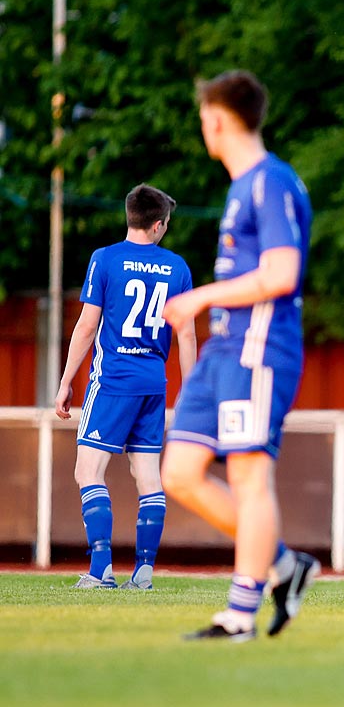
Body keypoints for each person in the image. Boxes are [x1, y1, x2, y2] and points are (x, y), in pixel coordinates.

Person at [159, 70, 321, 642]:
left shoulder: (270, 182)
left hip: (259, 348)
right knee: (178, 472)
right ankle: (282, 564)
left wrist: (199, 296)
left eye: (204, 117)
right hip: (225, 347)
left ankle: (239, 616)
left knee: (252, 481)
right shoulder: (240, 186)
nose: (203, 126)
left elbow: (281, 274)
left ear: (220, 119)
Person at [53, 185, 196, 590]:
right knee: (148, 475)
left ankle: (101, 571)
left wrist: (66, 382)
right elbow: (186, 336)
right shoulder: (177, 268)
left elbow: (86, 327)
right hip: (154, 384)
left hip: (113, 380)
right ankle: (144, 572)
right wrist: (189, 391)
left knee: (88, 470)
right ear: (157, 224)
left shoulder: (105, 259)